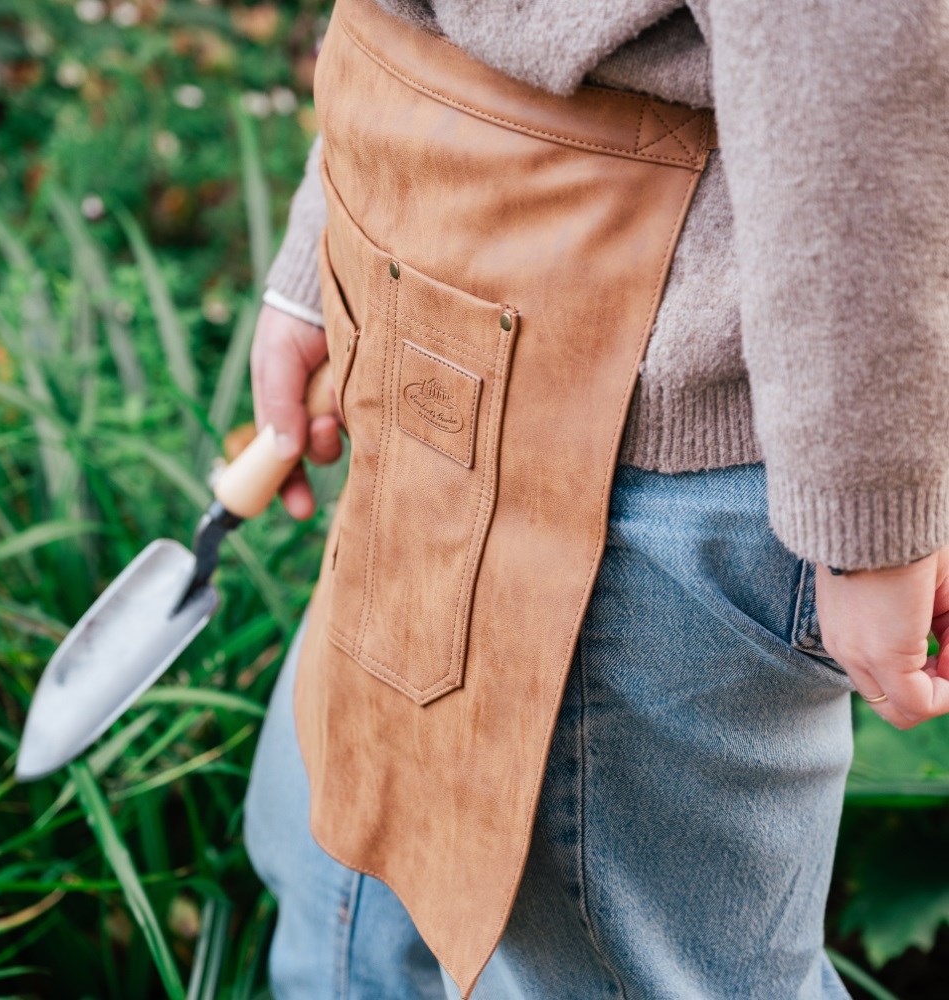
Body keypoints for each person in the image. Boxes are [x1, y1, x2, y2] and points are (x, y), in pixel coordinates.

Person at [244, 1, 949, 997]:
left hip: (634, 448)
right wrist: (323, 248)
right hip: (412, 315)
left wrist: (866, 515)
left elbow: (850, 38)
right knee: (345, 898)